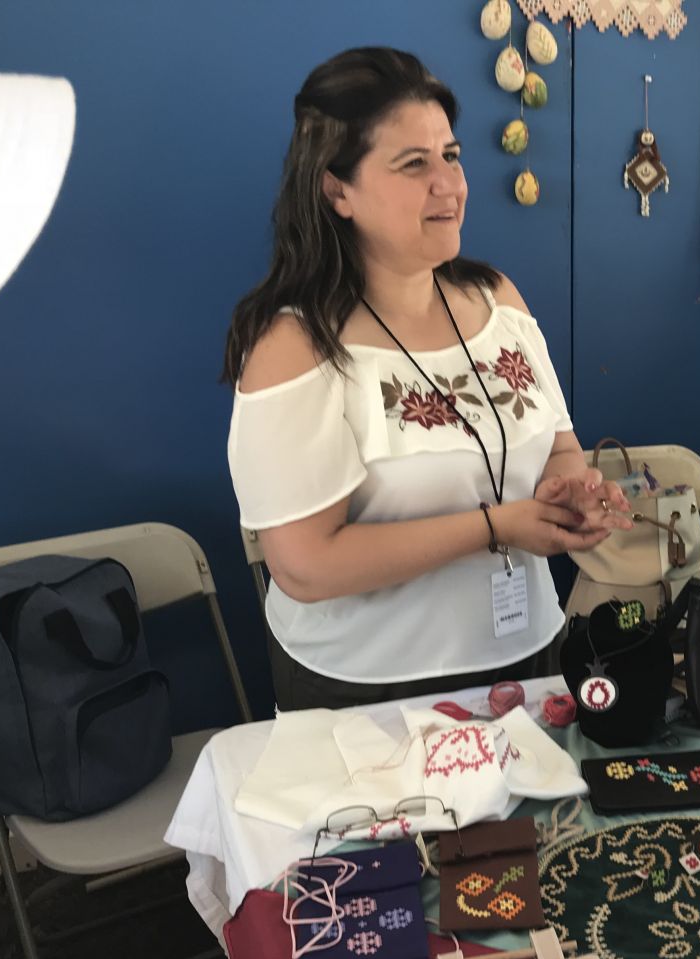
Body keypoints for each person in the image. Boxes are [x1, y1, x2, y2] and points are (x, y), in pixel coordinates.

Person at [222, 48, 629, 711]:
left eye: (452, 155)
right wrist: (498, 527)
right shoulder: (296, 345)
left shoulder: (498, 299)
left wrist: (572, 491)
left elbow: (556, 442)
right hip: (369, 689)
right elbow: (304, 566)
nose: (449, 184)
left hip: (529, 659)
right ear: (337, 190)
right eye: (414, 164)